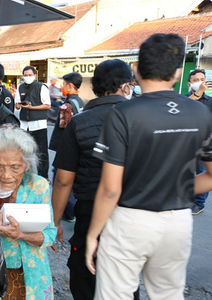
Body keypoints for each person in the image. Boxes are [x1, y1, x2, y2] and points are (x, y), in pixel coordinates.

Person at [86, 33, 212, 300]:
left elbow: (110, 189)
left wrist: (92, 235)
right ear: (178, 73)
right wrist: (177, 187)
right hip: (178, 221)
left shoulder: (124, 113)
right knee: (168, 294)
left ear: (135, 69)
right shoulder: (200, 112)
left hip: (130, 220)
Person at [51, 59, 138, 300]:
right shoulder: (141, 117)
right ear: (126, 86)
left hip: (89, 214)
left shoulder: (80, 121)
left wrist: (56, 221)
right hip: (134, 214)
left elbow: (63, 181)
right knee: (125, 282)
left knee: (86, 279)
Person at [0, 125, 57, 300]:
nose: (6, 175)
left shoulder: (37, 187)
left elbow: (50, 235)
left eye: (15, 167)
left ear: (27, 164)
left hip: (30, 277)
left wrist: (21, 234)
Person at [49, 72, 85, 222]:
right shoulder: (81, 102)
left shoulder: (67, 105)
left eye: (64, 84)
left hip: (66, 149)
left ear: (70, 86)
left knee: (61, 180)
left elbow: (64, 128)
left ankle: (68, 213)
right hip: (77, 146)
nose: (62, 87)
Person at [15, 66, 52, 179]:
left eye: (30, 75)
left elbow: (47, 105)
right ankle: (24, 174)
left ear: (35, 75)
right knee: (23, 151)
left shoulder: (41, 87)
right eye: (25, 75)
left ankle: (43, 176)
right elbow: (17, 106)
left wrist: (32, 108)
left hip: (38, 124)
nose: (27, 77)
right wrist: (18, 105)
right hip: (24, 124)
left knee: (41, 152)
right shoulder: (20, 87)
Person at [186, 69, 212, 214]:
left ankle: (199, 204)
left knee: (204, 172)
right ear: (189, 83)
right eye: (196, 80)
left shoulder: (210, 101)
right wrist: (197, 93)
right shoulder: (184, 99)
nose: (200, 82)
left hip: (204, 144)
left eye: (202, 79)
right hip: (185, 142)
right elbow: (182, 109)